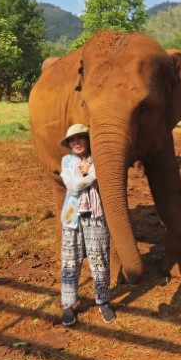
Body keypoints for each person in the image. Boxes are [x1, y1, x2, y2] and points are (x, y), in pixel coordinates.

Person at [58, 123, 116, 325]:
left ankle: (103, 301)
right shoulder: (66, 161)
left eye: (80, 138)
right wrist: (93, 174)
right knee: (70, 260)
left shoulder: (99, 160)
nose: (76, 143)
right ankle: (68, 305)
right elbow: (72, 186)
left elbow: (109, 182)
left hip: (96, 215)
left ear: (88, 140)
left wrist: (95, 168)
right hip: (71, 218)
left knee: (99, 259)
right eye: (72, 140)